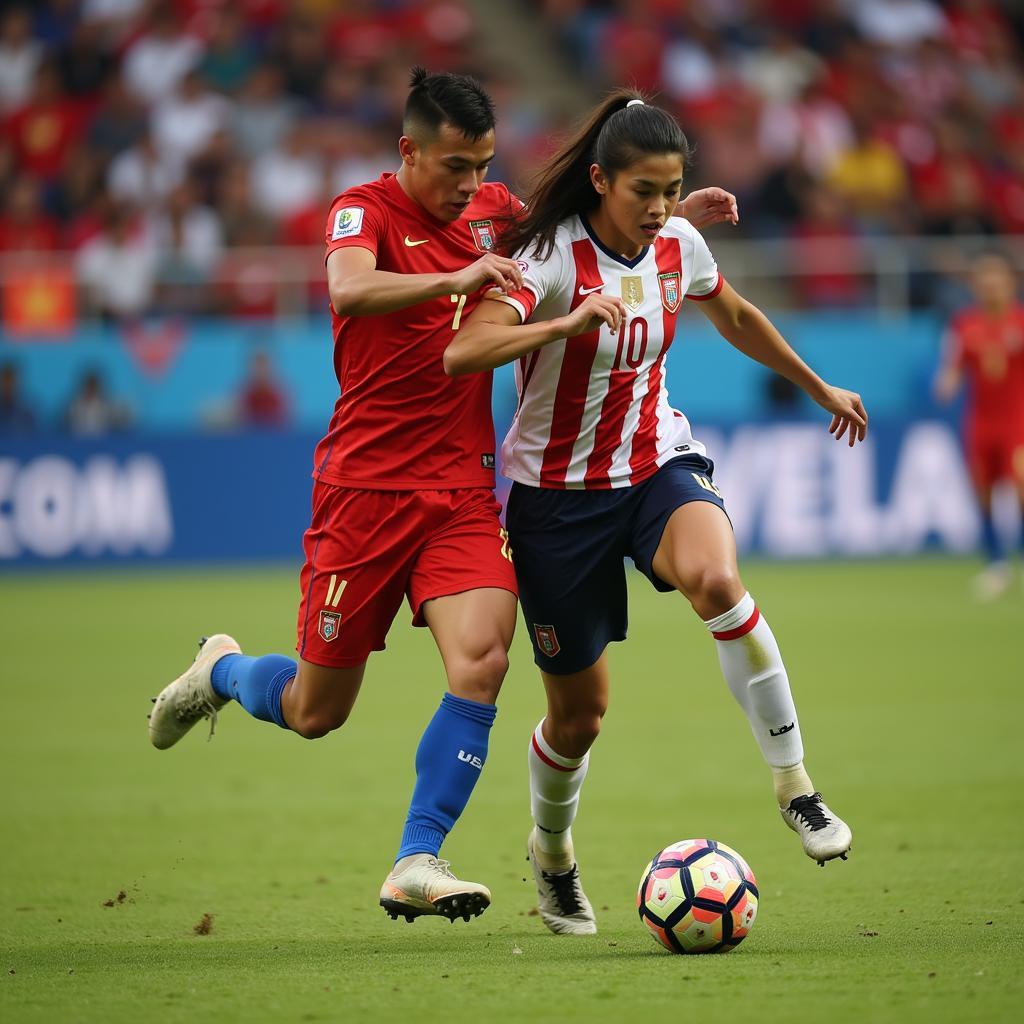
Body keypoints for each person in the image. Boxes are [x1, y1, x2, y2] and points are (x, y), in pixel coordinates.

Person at [149, 69, 738, 925]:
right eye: (454, 167)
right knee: (318, 712)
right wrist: (454, 283)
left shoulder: (495, 213)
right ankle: (222, 670)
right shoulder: (363, 211)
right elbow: (351, 288)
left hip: (462, 489)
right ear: (409, 152)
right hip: (361, 491)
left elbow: (591, 233)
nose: (469, 186)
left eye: (481, 166)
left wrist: (673, 218)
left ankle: (416, 857)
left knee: (486, 659)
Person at [444, 92, 866, 937]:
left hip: (654, 465)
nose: (661, 208)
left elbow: (736, 313)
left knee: (717, 578)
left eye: (673, 189)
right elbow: (464, 350)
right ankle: (553, 854)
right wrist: (561, 323)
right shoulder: (550, 256)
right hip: (556, 503)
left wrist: (816, 384)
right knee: (579, 715)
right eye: (645, 191)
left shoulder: (679, 243)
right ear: (600, 181)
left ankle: (796, 786)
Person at [935, 252, 1024, 599]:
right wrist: (947, 383)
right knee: (983, 494)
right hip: (980, 423)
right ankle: (997, 565)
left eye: (996, 280)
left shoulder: (1020, 320)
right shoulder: (964, 324)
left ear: (1009, 283)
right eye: (984, 281)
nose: (990, 287)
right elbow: (953, 367)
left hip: (1017, 421)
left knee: (1020, 488)